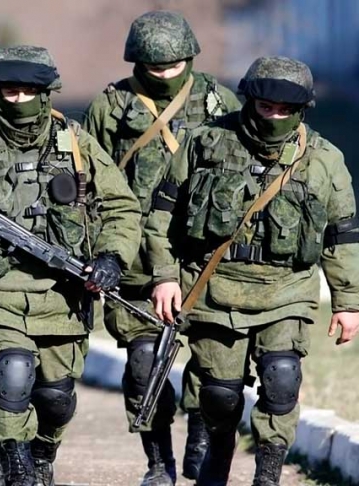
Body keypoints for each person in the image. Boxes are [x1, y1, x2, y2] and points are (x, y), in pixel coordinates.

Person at [0, 45, 142, 486]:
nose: (17, 100)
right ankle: (15, 463)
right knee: (11, 375)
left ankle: (41, 452)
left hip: (63, 289)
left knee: (56, 397)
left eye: (26, 91)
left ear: (46, 92)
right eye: (8, 91)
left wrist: (111, 257)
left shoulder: (73, 140)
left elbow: (121, 206)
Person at [148, 56, 359, 485]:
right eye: (266, 107)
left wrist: (348, 301)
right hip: (215, 290)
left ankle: (268, 474)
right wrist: (165, 276)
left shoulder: (324, 160)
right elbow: (162, 216)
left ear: (302, 109)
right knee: (219, 395)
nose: (274, 116)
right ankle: (217, 457)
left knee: (282, 380)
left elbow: (341, 235)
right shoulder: (205, 143)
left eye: (285, 110)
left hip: (288, 290)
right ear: (250, 101)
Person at [82, 10, 242, 484]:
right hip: (135, 259)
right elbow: (87, 181)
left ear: (190, 57)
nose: (166, 74)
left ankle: (200, 429)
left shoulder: (219, 100)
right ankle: (158, 462)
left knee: (214, 368)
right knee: (143, 366)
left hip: (203, 256)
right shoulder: (110, 106)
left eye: (175, 65)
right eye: (155, 67)